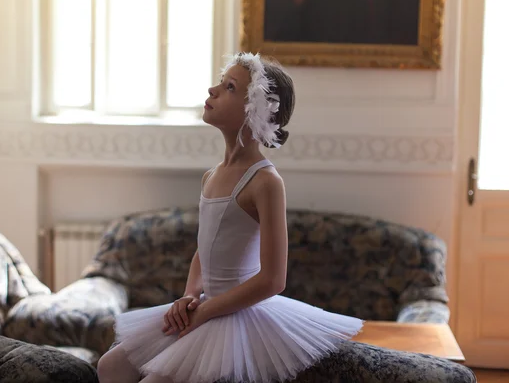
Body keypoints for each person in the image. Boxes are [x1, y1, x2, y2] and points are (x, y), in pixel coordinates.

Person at [97, 53, 364, 383]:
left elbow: (273, 279)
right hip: (204, 304)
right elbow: (203, 251)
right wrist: (190, 296)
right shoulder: (211, 176)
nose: (212, 90)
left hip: (236, 316)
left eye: (229, 88)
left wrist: (207, 311)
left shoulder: (265, 181)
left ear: (256, 110)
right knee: (109, 367)